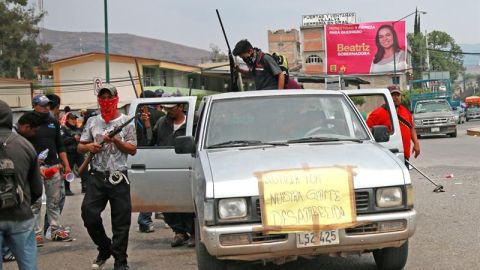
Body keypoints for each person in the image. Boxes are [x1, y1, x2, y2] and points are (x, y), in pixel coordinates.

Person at [78, 85, 137, 270]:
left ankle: (120, 261)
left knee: (121, 221)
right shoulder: (92, 121)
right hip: (97, 176)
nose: (105, 100)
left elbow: (133, 150)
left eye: (108, 97)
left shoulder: (127, 121)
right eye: (101, 97)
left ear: (116, 98)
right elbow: (80, 146)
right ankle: (105, 248)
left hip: (119, 177)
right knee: (89, 215)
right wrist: (90, 147)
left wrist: (116, 140)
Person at [0, 100, 43, 270]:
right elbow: (37, 189)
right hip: (21, 216)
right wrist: (24, 202)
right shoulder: (25, 145)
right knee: (28, 266)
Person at [150, 102, 195, 248]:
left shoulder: (195, 121)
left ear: (181, 107)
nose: (168, 111)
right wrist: (146, 125)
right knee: (168, 203)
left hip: (188, 166)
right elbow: (151, 141)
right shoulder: (162, 122)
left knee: (188, 202)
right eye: (166, 109)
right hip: (166, 167)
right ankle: (179, 232)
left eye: (171, 108)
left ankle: (194, 233)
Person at [29, 94, 72, 246]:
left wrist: (66, 165)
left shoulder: (53, 122)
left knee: (54, 201)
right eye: (43, 105)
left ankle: (54, 230)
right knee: (35, 202)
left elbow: (60, 145)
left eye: (48, 105)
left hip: (53, 166)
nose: (46, 108)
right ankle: (35, 234)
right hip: (34, 168)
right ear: (34, 105)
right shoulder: (27, 121)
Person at [136, 90, 165, 233]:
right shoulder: (161, 116)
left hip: (140, 155)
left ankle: (145, 220)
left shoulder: (133, 116)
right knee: (161, 188)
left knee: (148, 189)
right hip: (157, 155)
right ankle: (152, 218)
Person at [366, 85, 420, 161]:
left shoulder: (405, 111)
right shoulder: (377, 113)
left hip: (404, 154)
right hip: (387, 155)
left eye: (398, 95)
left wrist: (416, 143)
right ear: (386, 97)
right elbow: (366, 131)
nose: (396, 97)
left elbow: (411, 128)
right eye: (393, 95)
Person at [61, 113, 89, 194]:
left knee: (84, 169)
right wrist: (73, 138)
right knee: (67, 170)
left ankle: (85, 187)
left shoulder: (78, 129)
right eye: (72, 119)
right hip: (68, 153)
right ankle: (66, 189)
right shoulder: (63, 129)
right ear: (67, 119)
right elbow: (62, 140)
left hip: (78, 152)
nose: (74, 120)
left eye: (75, 119)